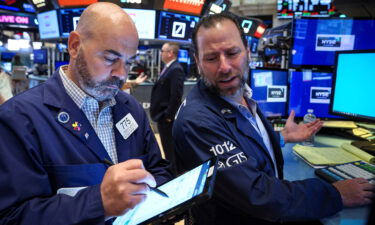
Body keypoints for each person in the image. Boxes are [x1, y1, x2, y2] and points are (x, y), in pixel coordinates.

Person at [172, 13, 375, 225]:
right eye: (211, 58)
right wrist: (335, 194)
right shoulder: (197, 121)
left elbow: (242, 142)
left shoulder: (241, 95)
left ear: (247, 52)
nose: (224, 67)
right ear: (197, 61)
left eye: (232, 53)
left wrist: (282, 136)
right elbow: (258, 195)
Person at [0, 3, 172, 224]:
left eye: (129, 63)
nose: (121, 74)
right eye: (110, 59)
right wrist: (99, 203)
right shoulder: (18, 120)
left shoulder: (131, 108)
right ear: (74, 46)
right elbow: (12, 217)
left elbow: (158, 169)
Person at [150, 42, 185, 175]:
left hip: (166, 118)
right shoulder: (169, 68)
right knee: (167, 147)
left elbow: (176, 95)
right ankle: (172, 172)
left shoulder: (176, 69)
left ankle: (175, 176)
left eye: (163, 51)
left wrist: (169, 116)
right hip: (162, 116)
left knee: (170, 149)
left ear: (170, 53)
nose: (161, 53)